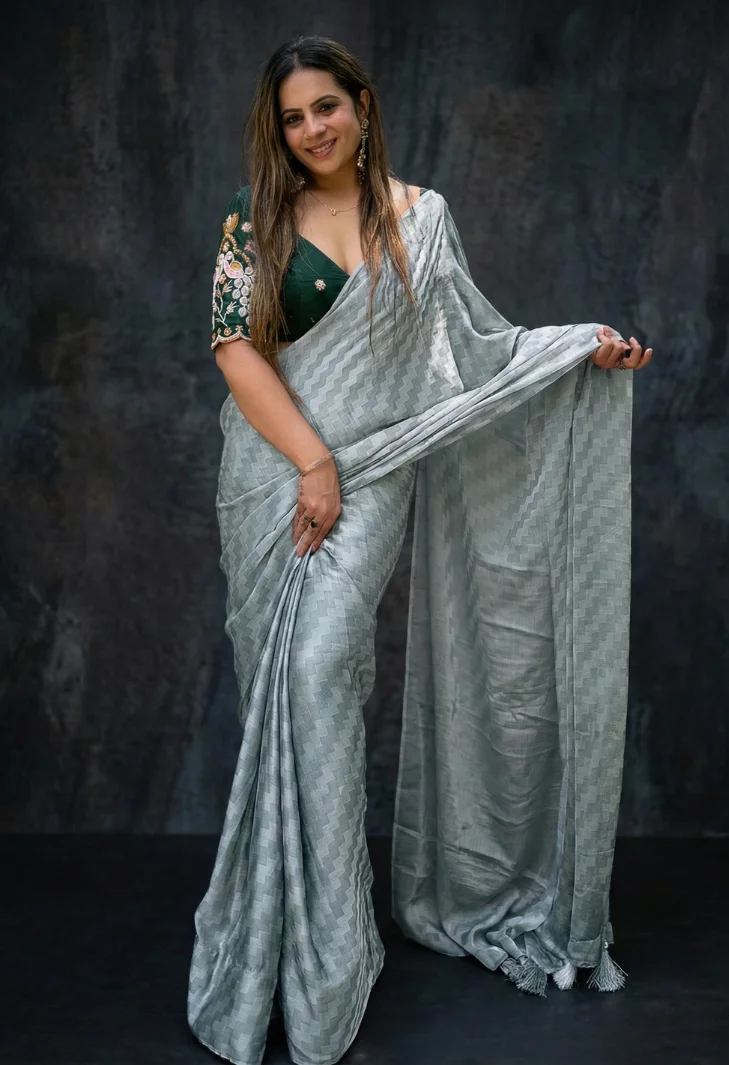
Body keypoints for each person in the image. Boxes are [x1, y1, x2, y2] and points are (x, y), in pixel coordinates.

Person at [188, 33, 653, 1065]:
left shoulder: (420, 219)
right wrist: (312, 461)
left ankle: (331, 962)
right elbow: (233, 351)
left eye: (326, 106)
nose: (311, 129)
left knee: (318, 673)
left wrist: (581, 350)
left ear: (362, 105)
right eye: (291, 118)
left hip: (375, 474)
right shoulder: (250, 222)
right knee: (281, 694)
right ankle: (277, 940)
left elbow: (475, 353)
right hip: (271, 480)